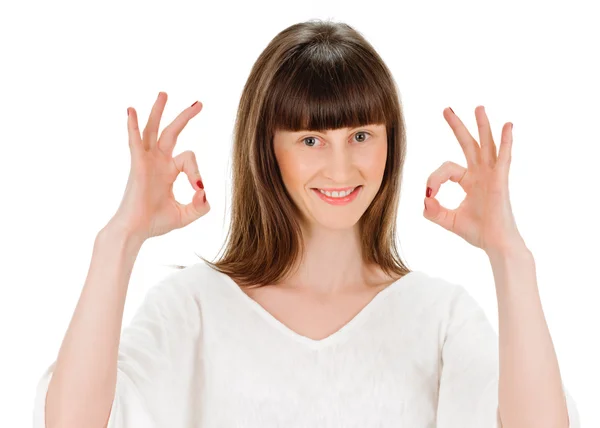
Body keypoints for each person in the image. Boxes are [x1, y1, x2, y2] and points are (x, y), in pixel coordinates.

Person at [33, 20, 580, 428]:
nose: (341, 168)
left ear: (391, 142)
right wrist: (119, 239)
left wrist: (510, 256)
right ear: (268, 150)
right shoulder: (194, 306)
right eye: (311, 140)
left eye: (361, 136)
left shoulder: (439, 316)